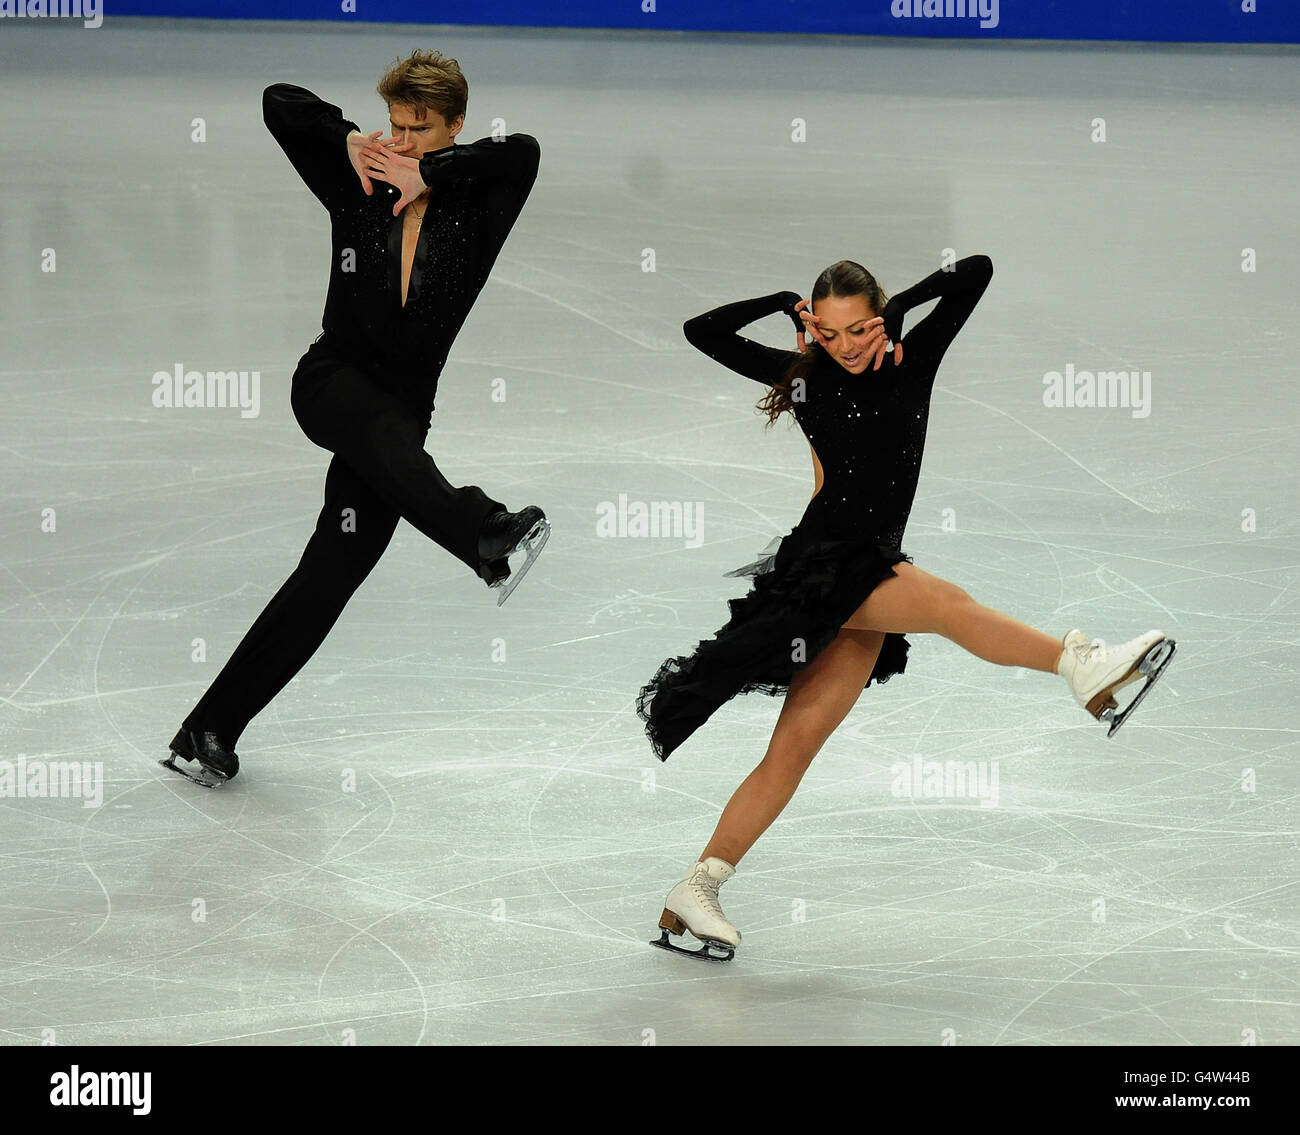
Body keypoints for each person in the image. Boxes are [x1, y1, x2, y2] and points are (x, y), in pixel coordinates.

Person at [638, 254, 1175, 960]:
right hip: (827, 565)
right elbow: (699, 330)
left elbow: (976, 271)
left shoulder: (913, 356)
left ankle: (697, 886)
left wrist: (904, 309)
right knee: (950, 605)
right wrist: (777, 301)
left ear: (881, 319)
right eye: (829, 334)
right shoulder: (805, 379)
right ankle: (1081, 665)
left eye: (860, 328)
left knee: (793, 749)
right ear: (814, 333)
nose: (847, 345)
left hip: (870, 564)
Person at [164, 50, 549, 788]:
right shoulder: (359, 176)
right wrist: (346, 139)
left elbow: (523, 154)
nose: (400, 141)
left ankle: (210, 724)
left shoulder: (478, 201)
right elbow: (279, 100)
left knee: (331, 572)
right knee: (381, 441)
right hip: (331, 381)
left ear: (456, 126)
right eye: (394, 125)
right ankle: (477, 526)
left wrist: (431, 174)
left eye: (419, 129)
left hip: (402, 420)